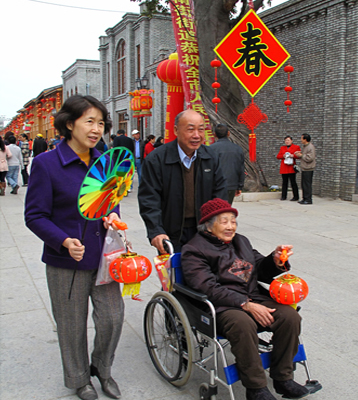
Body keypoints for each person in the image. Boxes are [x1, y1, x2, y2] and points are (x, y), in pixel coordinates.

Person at [25, 95, 124, 400]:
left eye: (101, 123)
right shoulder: (46, 164)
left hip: (103, 258)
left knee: (113, 317)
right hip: (65, 260)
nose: (97, 129)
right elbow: (34, 215)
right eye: (89, 121)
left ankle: (102, 368)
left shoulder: (105, 162)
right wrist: (63, 241)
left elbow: (111, 203)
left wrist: (113, 219)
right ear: (70, 124)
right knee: (71, 325)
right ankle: (80, 379)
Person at [181, 198, 310, 400]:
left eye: (233, 221)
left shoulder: (241, 241)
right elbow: (207, 287)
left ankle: (283, 378)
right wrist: (245, 305)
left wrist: (275, 261)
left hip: (253, 296)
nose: (231, 227)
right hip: (222, 306)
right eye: (224, 222)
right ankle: (256, 388)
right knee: (242, 323)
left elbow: (259, 268)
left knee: (290, 316)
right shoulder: (194, 249)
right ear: (208, 225)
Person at [138, 109, 228, 254]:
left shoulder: (211, 157)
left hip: (204, 231)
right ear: (176, 130)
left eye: (201, 129)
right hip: (171, 233)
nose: (197, 135)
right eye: (190, 129)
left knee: (204, 274)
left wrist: (220, 224)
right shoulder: (157, 159)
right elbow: (149, 199)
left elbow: (220, 193)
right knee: (175, 274)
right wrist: (156, 231)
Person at [210, 124, 245, 204]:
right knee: (227, 209)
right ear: (228, 133)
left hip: (215, 185)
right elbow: (241, 168)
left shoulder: (210, 149)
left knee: (215, 210)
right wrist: (239, 186)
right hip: (231, 185)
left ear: (214, 134)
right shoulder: (237, 149)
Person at [276, 135, 301, 201]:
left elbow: (299, 156)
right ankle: (283, 196)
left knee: (293, 182)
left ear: (291, 141)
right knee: (284, 182)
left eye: (288, 140)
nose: (287, 142)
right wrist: (283, 156)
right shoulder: (282, 148)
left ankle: (296, 196)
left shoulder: (296, 147)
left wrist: (293, 155)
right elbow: (278, 156)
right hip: (284, 167)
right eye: (286, 140)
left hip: (291, 167)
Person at [294, 134, 316, 205]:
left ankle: (308, 199)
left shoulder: (310, 147)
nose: (301, 140)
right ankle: (304, 198)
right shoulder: (305, 147)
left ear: (305, 139)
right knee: (304, 184)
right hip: (304, 168)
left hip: (308, 168)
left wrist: (301, 155)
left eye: (301, 138)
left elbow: (310, 158)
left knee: (307, 184)